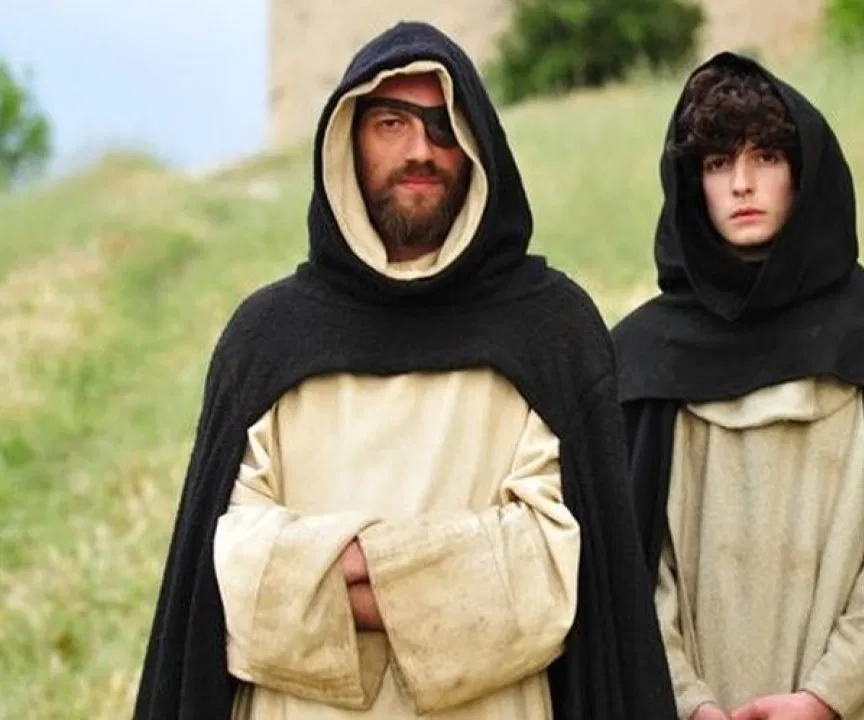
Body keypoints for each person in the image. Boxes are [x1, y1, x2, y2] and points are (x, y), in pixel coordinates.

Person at [133, 21, 677, 720]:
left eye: (443, 126)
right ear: (349, 141)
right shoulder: (267, 339)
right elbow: (235, 574)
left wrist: (330, 568)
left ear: (476, 145)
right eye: (391, 123)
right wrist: (448, 571)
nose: (420, 149)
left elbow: (547, 573)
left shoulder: (551, 331)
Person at [612, 52, 864, 720]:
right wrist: (690, 702)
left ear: (803, 172)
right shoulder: (640, 362)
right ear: (691, 185)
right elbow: (633, 564)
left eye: (765, 157)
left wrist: (828, 695)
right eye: (717, 163)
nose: (741, 184)